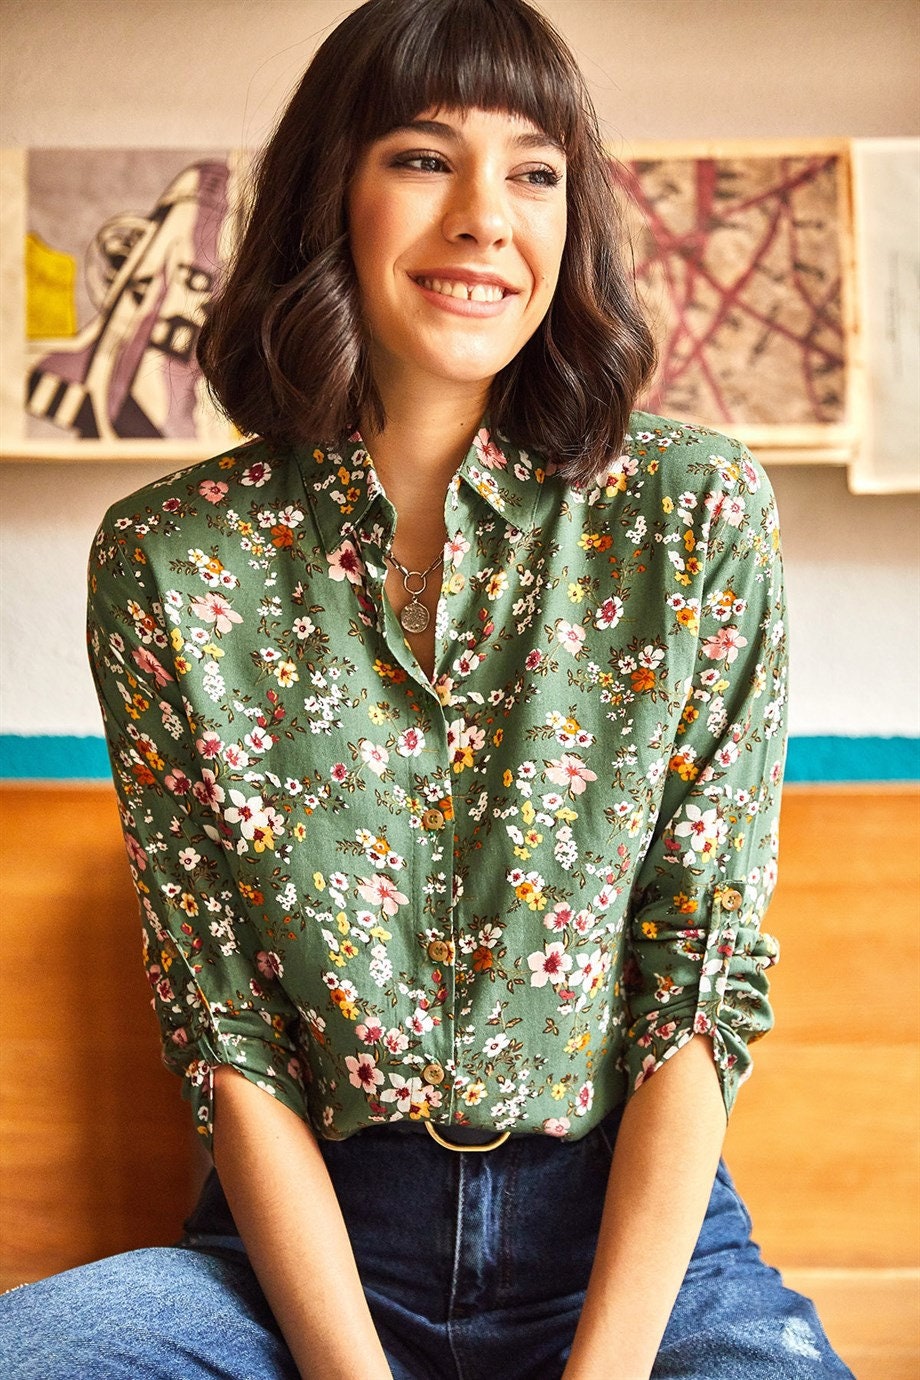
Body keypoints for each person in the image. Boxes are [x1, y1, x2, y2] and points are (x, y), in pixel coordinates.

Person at [0, 1, 853, 1377]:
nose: (483, 218)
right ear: (328, 190)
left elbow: (698, 987)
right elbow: (224, 1032)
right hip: (304, 1261)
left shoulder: (693, 515)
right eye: (419, 158)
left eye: (533, 172)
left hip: (638, 1260)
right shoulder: (170, 559)